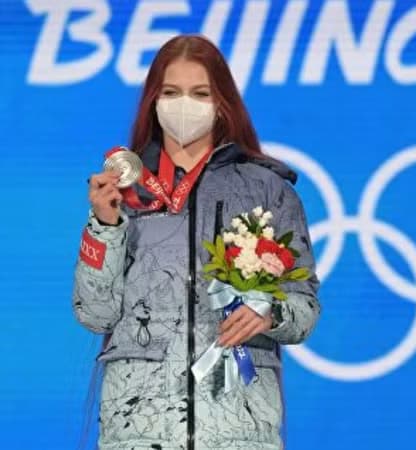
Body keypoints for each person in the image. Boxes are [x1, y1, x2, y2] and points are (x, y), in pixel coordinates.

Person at [73, 35, 320, 450]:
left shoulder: (266, 188)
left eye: (199, 93)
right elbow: (95, 314)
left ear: (221, 101)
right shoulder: (124, 190)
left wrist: (269, 313)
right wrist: (104, 224)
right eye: (171, 92)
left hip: (238, 428)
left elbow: (306, 310)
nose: (183, 104)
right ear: (153, 100)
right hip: (139, 430)